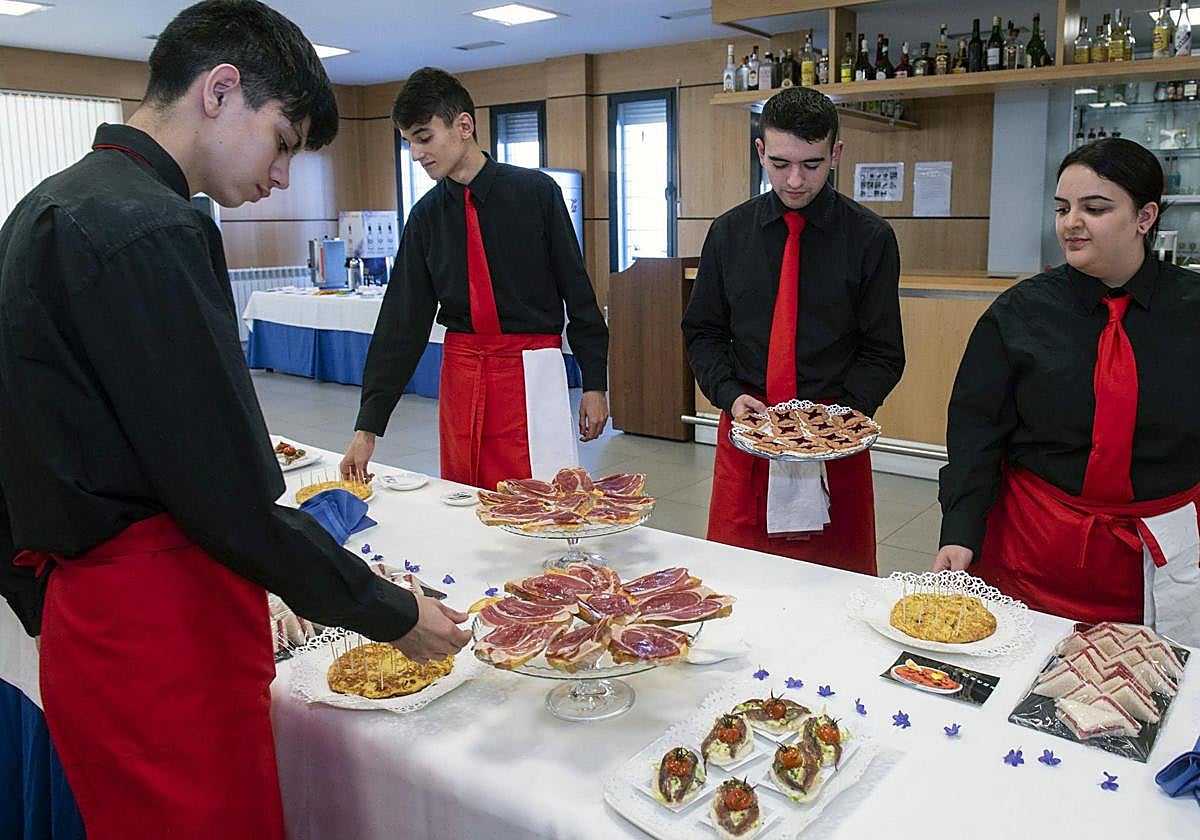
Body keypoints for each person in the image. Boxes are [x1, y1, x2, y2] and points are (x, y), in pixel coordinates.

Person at [0, 3, 469, 838]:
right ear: (221, 90)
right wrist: (388, 612)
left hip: (87, 628)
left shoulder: (40, 208)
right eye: (284, 139)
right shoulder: (154, 226)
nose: (284, 174)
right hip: (161, 631)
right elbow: (229, 494)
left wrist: (40, 598)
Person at [937, 138, 1200, 639]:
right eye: (1063, 208)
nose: (1070, 222)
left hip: (1164, 553)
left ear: (1144, 217)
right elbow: (977, 430)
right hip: (1041, 545)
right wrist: (962, 526)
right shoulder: (1019, 314)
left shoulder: (1193, 310)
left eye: (1094, 208)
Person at [340, 67, 610, 492]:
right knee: (466, 497)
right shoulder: (427, 216)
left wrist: (594, 382)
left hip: (532, 369)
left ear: (463, 125)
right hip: (464, 375)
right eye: (408, 141)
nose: (415, 153)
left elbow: (577, 292)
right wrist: (367, 427)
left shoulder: (536, 193)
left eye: (423, 137)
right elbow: (401, 321)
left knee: (543, 498)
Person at [683, 86, 904, 574]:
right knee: (741, 580)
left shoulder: (870, 239)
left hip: (834, 440)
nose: (797, 179)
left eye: (813, 163)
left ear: (836, 154)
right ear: (760, 149)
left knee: (834, 585)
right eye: (781, 163)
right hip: (749, 429)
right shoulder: (728, 233)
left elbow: (883, 351)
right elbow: (704, 332)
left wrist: (836, 421)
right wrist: (727, 392)